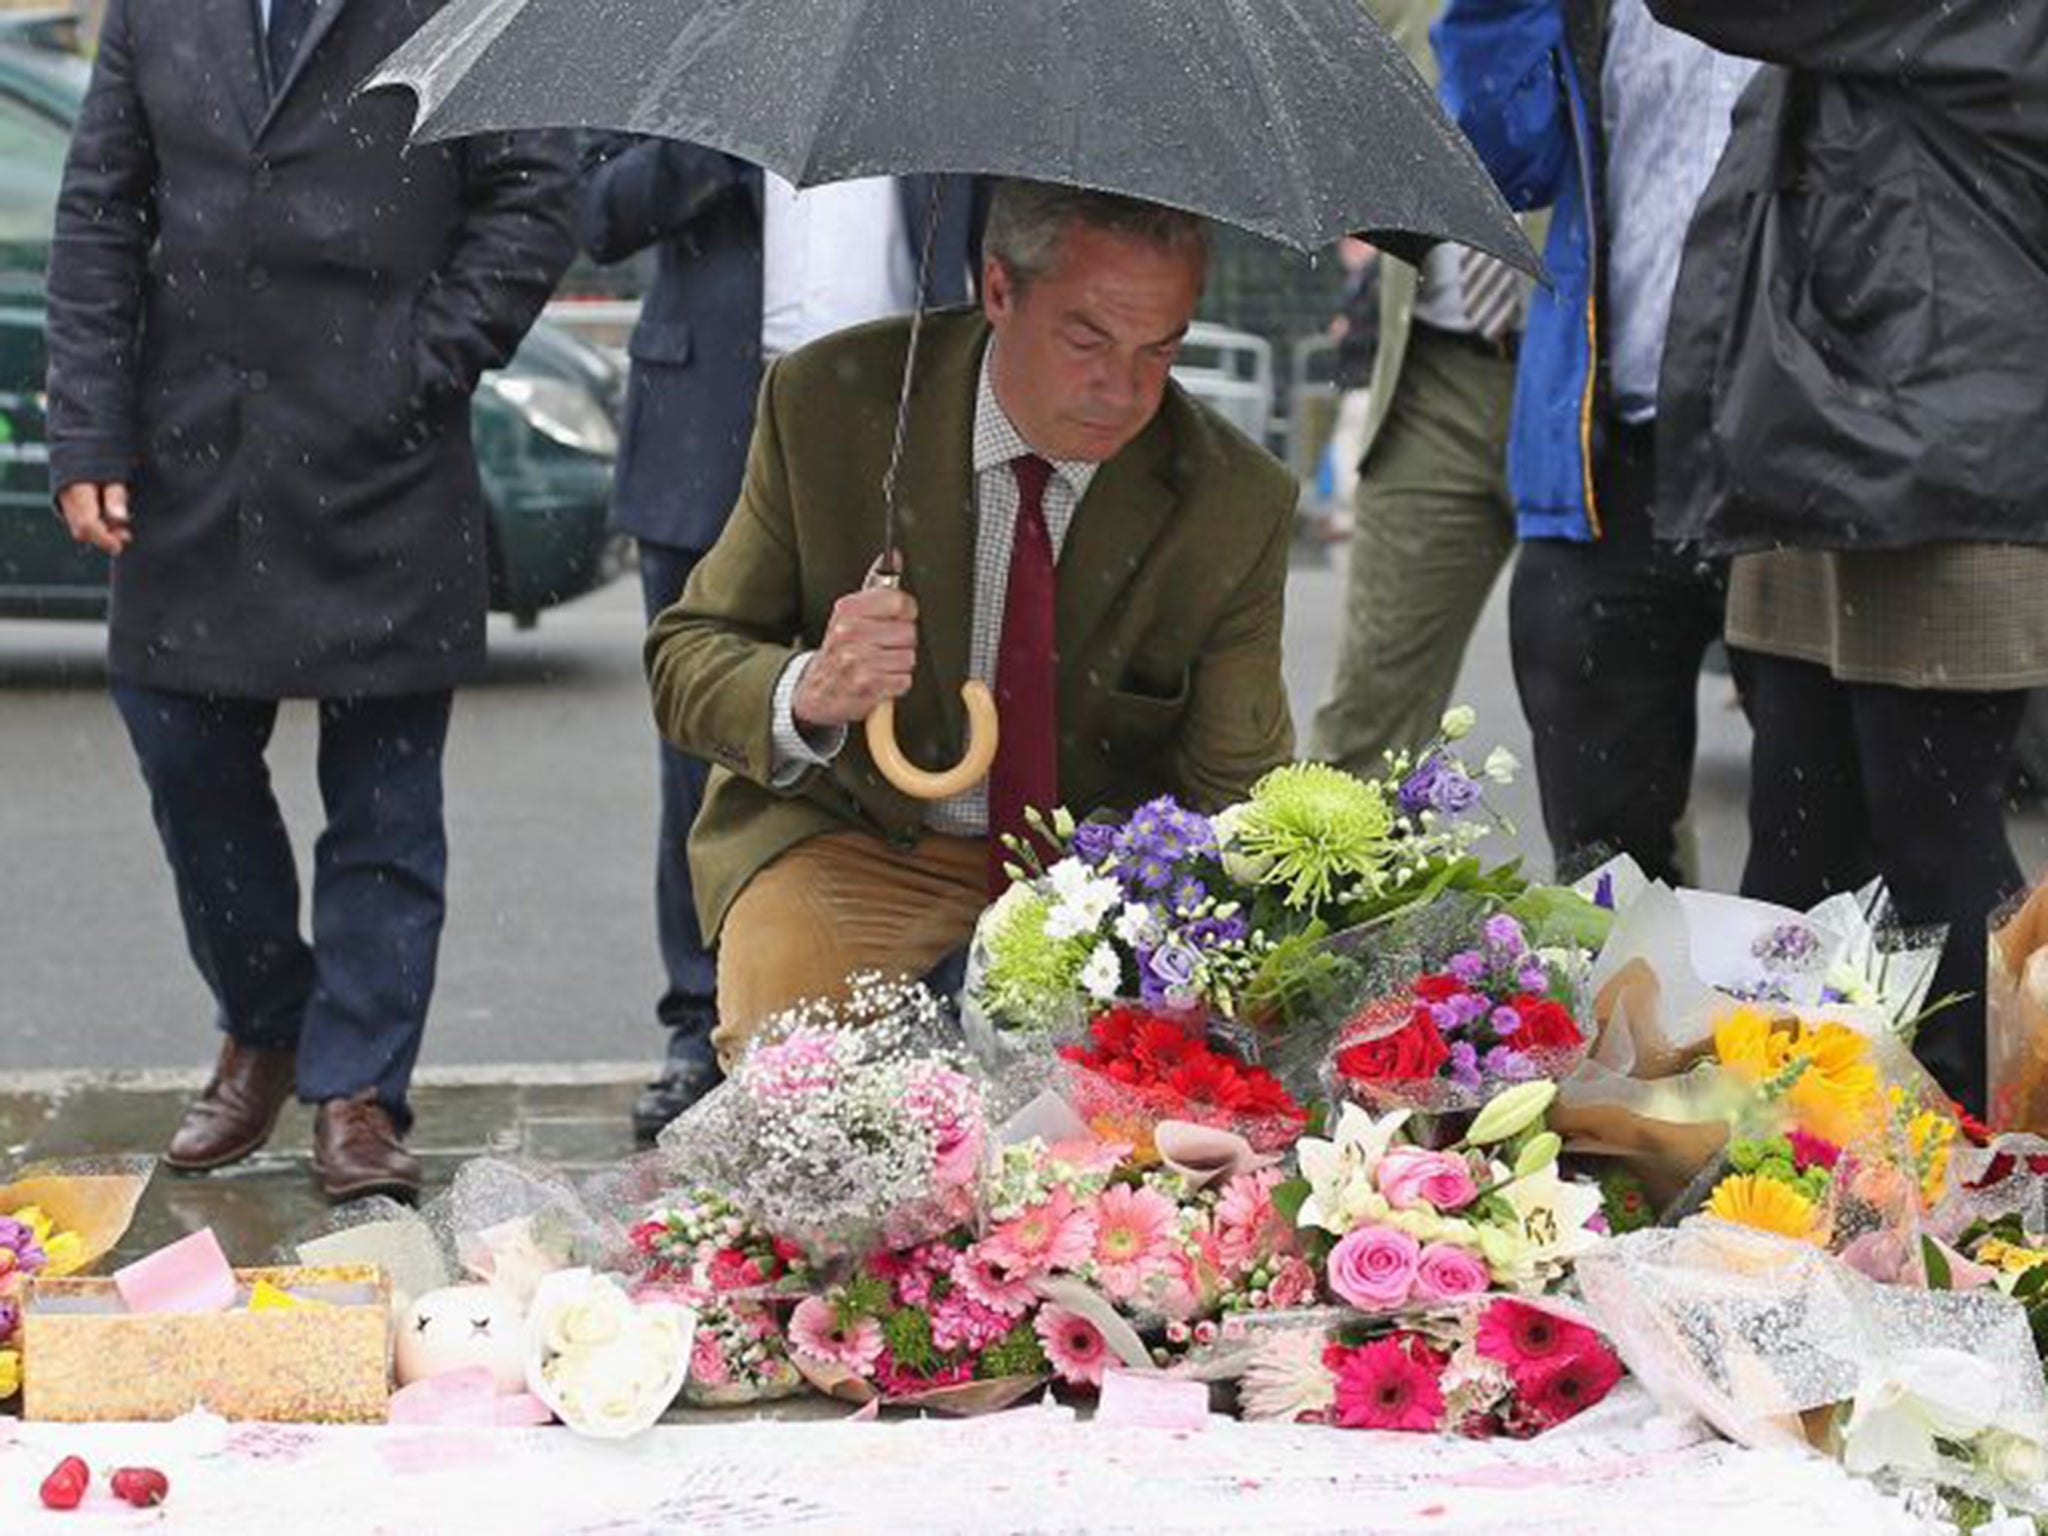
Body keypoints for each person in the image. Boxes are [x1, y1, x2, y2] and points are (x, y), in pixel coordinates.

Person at [44, 0, 576, 1201]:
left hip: (381, 468)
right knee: (183, 753)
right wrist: (89, 431)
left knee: (385, 806)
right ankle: (267, 1023)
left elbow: (535, 196)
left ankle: (359, 1091)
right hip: (188, 460)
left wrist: (420, 363)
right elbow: (99, 216)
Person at [646, 181, 1298, 1064]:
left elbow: (1239, 786)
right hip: (857, 835)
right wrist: (814, 688)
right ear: (999, 289)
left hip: (1103, 867)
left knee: (1122, 1129)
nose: (1123, 390)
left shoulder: (1233, 498)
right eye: (1086, 339)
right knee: (792, 1074)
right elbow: (687, 657)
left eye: (1161, 350)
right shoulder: (833, 407)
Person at [1647, 1, 2048, 1113]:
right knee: (1795, 843)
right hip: (1829, 434)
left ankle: (2006, 1162)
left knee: (1935, 854)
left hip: (1945, 453)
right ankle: (1760, 1141)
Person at [575, 146, 981, 1143]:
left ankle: (917, 1018)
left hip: (905, 413)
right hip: (713, 420)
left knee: (918, 726)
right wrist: (714, 124)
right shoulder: (694, 31)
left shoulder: (946, 35)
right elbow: (595, 213)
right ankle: (699, 1025)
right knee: (707, 752)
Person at [1434, 0, 1759, 886]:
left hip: (1795, 457)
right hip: (1608, 454)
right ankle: (1636, 1024)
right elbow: (1501, 160)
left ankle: (1823, 1029)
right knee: (1604, 869)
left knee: (1827, 861)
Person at [1309, 0, 1526, 778]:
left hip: (1590, 374)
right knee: (1369, 717)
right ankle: (1337, 895)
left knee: (1613, 734)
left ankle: (1645, 902)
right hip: (1433, 371)